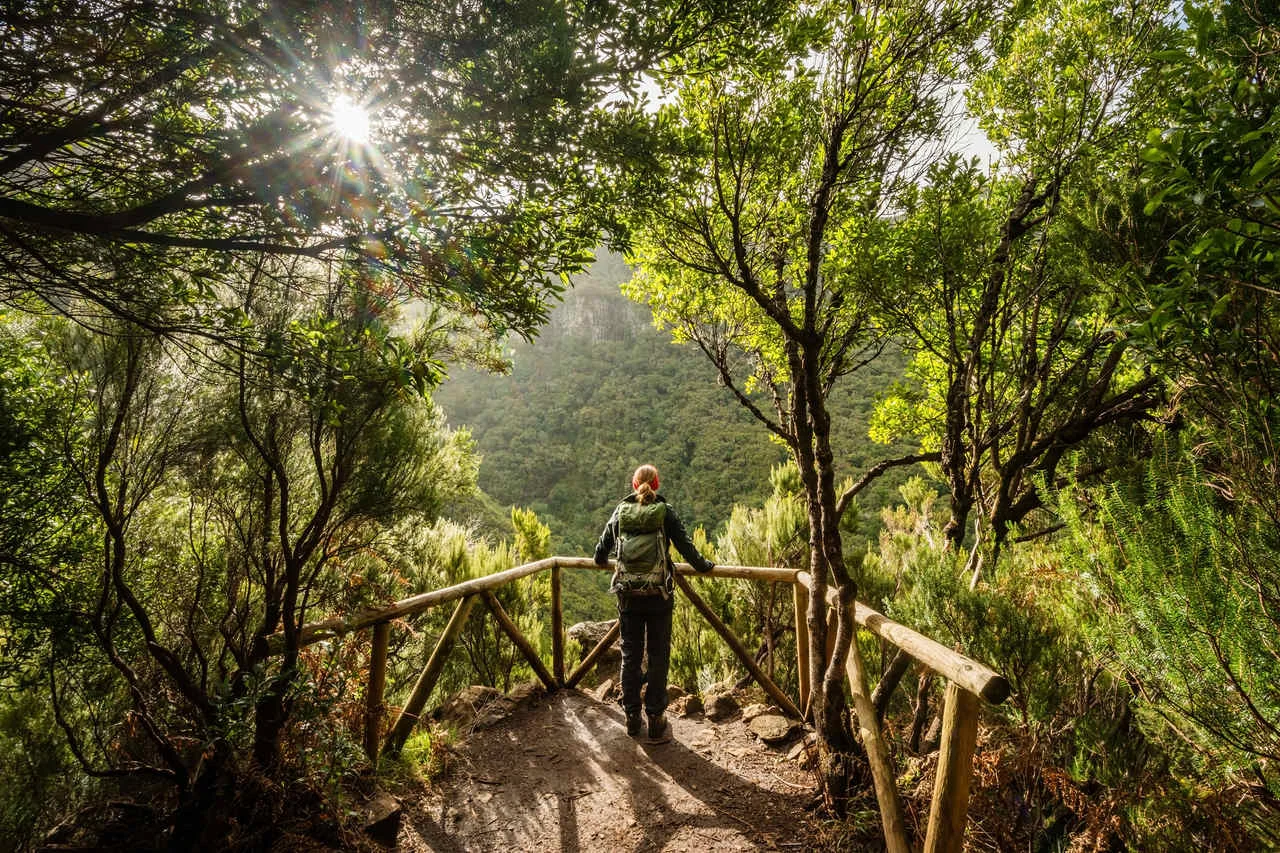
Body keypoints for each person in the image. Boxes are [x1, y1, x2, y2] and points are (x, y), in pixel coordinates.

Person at [593, 464, 714, 740]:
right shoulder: (664, 511)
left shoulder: (621, 511)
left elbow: (600, 552)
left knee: (630, 656)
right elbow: (686, 546)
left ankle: (632, 717)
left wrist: (604, 561)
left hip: (628, 597)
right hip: (659, 596)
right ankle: (656, 717)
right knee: (659, 656)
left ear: (635, 485)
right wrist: (704, 565)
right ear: (655, 485)